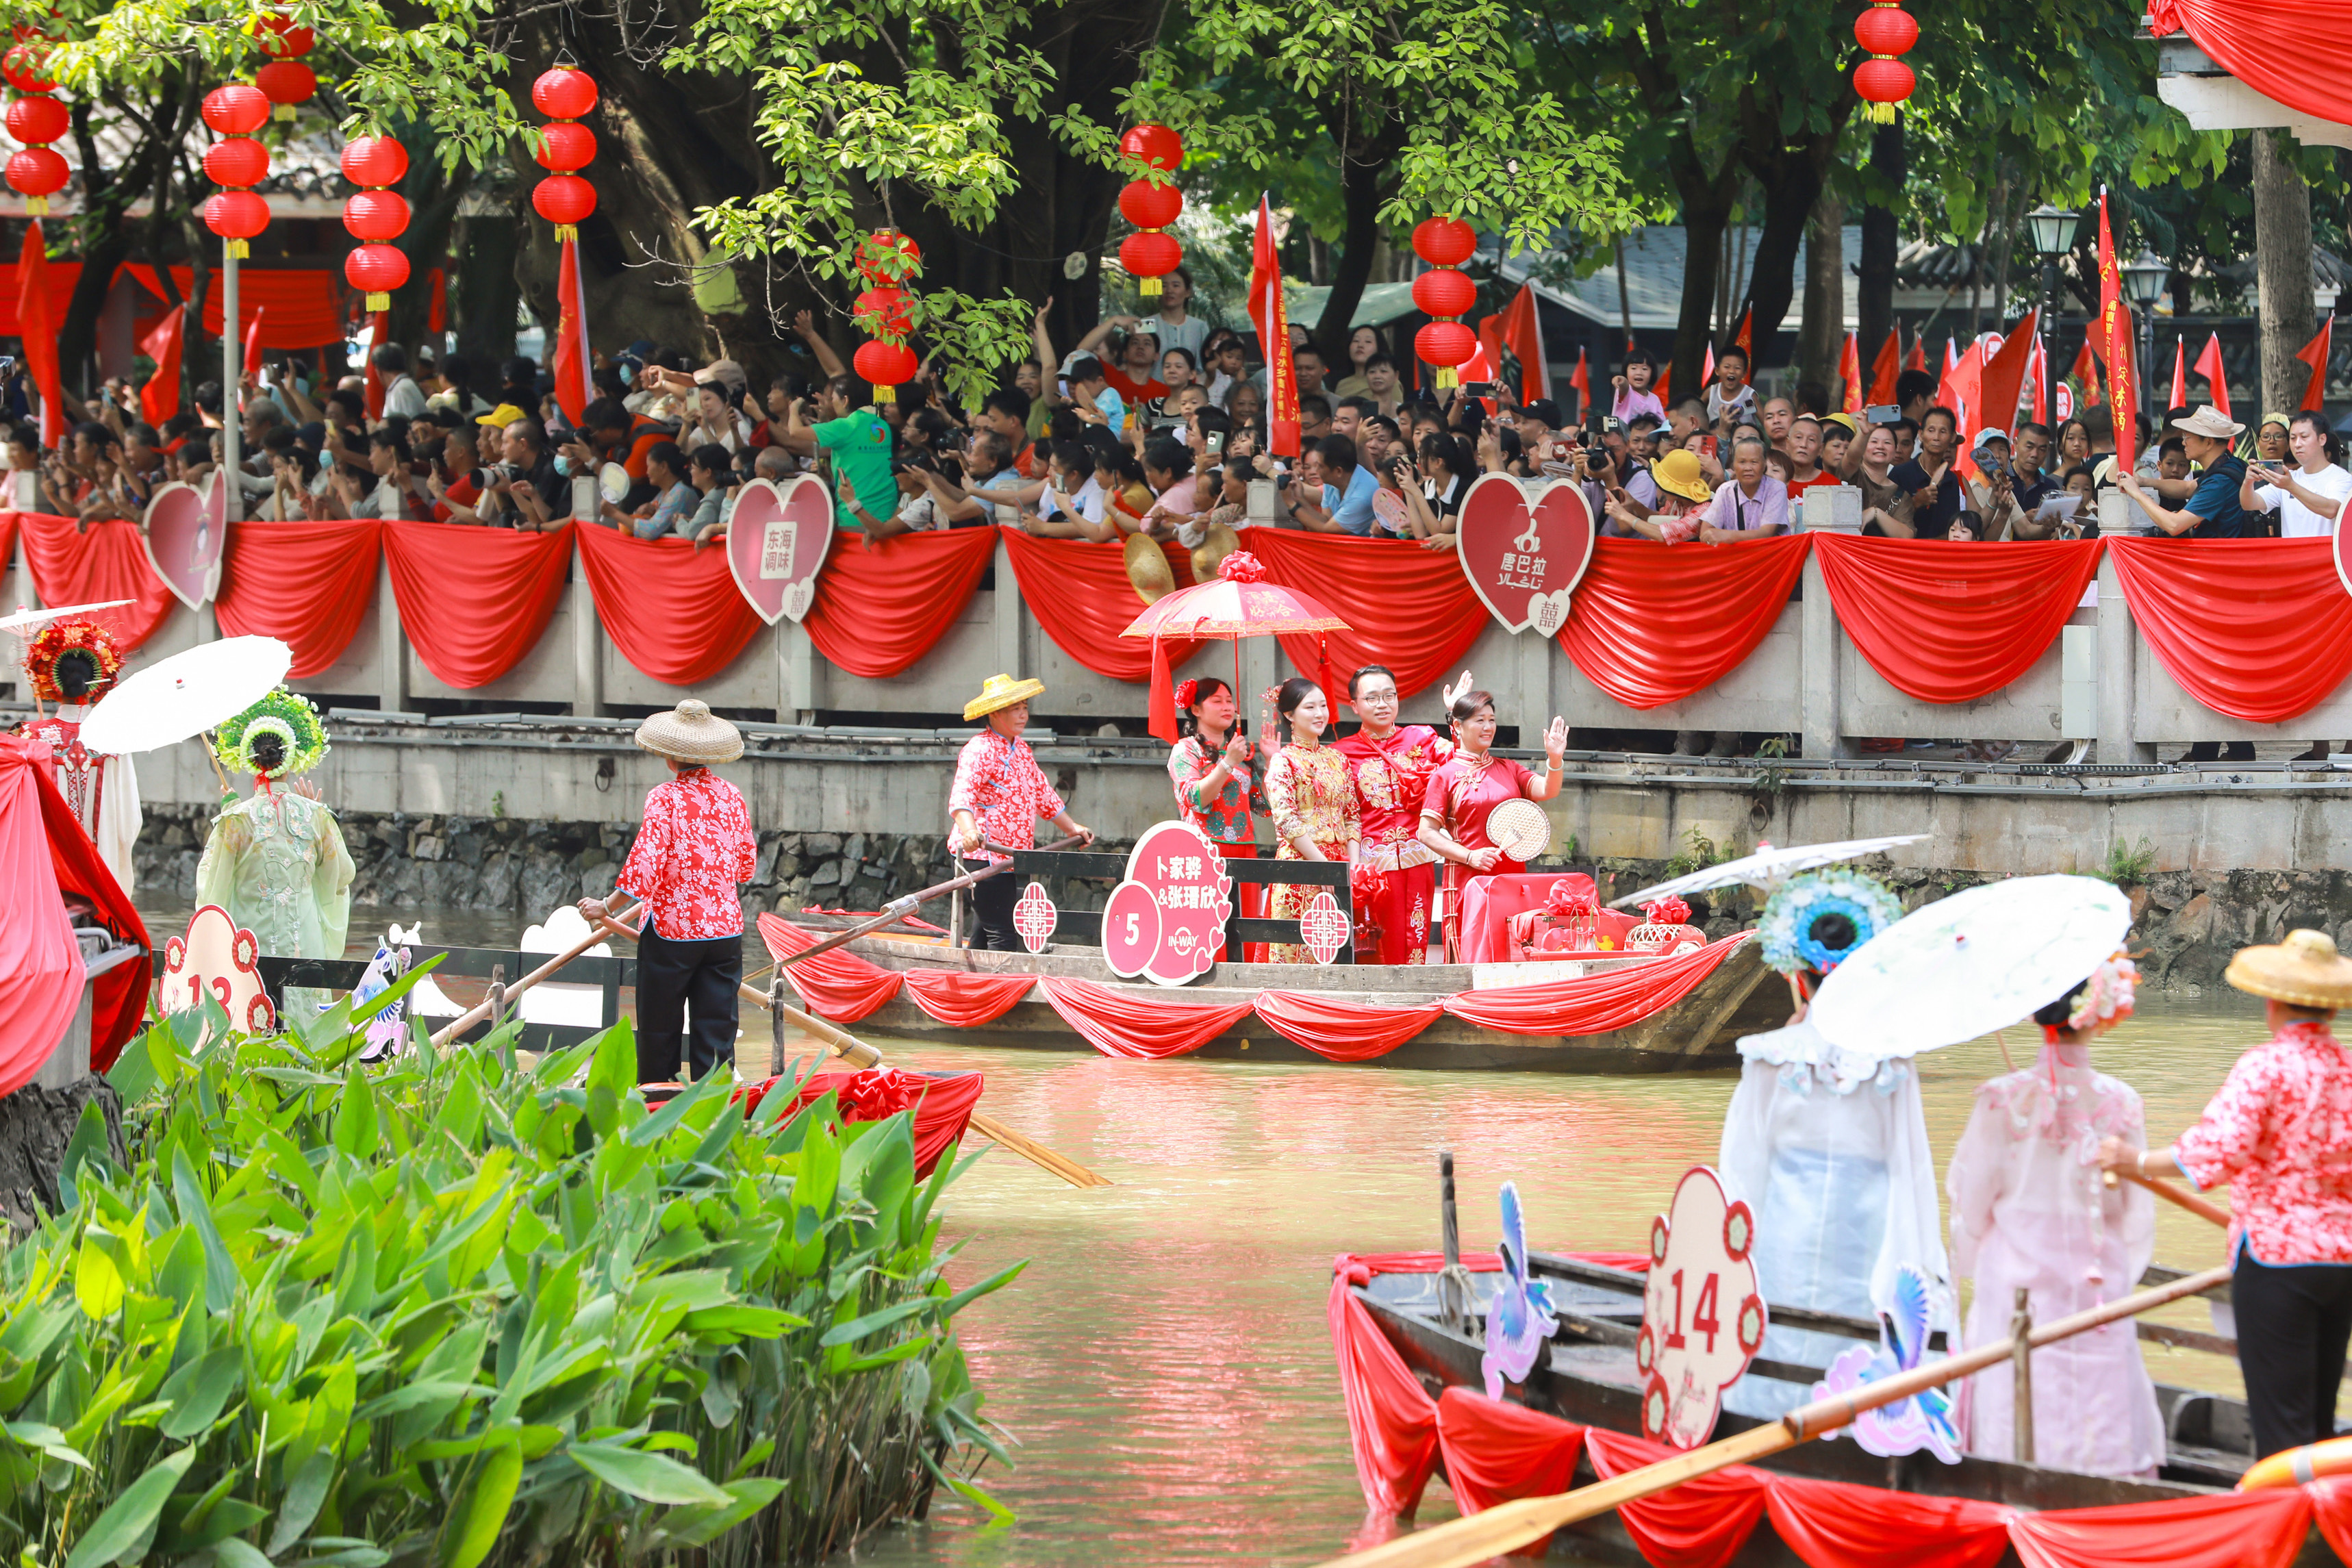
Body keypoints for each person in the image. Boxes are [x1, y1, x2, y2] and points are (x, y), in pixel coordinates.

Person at [2099, 929, 2352, 1459]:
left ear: (2273, 1001)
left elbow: (2215, 1153)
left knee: (2281, 1430)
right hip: (2342, 1261)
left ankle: (2290, 1531)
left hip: (2277, 1260)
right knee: (2317, 1418)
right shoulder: (2347, 1069)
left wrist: (2134, 1161)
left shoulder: (2266, 1065)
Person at [1717, 865, 1945, 1420]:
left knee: (1781, 1315)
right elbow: (1910, 1168)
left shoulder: (1769, 1054)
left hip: (1783, 1230)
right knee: (1856, 1327)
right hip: (1866, 1227)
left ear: (1799, 971)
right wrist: (1918, 1260)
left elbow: (1741, 1171)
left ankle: (1767, 1417)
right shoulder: (1892, 1061)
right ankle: (1858, 1424)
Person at [1947, 952, 2162, 1476]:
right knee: (2097, 1370)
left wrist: (1966, 1264)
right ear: (2099, 1012)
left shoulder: (2002, 1099)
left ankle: (2007, 1470)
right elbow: (2136, 1213)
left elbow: (1969, 1203)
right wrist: (2123, 1267)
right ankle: (2107, 1475)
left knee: (2010, 1364)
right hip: (2097, 1273)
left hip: (2014, 1274)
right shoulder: (2121, 1102)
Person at [577, 700, 755, 1085]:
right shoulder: (732, 796)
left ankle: (658, 1110)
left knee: (660, 1032)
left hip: (673, 933)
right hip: (724, 932)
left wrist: (605, 906)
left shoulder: (665, 798)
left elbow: (645, 864)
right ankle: (714, 1114)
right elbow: (745, 866)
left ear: (671, 758)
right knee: (716, 1033)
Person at [194, 689, 355, 968]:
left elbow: (212, 889)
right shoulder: (316, 815)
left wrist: (229, 815)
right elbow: (341, 876)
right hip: (303, 943)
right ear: (291, 760)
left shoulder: (236, 820)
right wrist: (313, 819)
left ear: (250, 760)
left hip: (249, 947)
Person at [1415, 687, 1567, 961]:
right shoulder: (1445, 775)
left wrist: (1554, 760)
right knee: (1472, 951)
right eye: (1479, 720)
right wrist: (1470, 856)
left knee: (1509, 945)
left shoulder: (1509, 768)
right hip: (1468, 878)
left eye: (1492, 720)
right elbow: (1426, 832)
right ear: (1458, 726)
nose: (1488, 727)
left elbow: (1547, 790)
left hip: (1511, 876)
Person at [949, 674, 1094, 950]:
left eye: (1025, 707)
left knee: (986, 934)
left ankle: (973, 987)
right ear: (995, 714)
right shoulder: (979, 749)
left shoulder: (1021, 749)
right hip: (983, 854)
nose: (1023, 714)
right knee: (1003, 934)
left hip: (1010, 856)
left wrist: (1071, 828)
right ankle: (999, 990)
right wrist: (969, 831)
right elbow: (962, 795)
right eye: (1015, 708)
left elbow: (1043, 795)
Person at [1337, 666, 1471, 964]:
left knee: (1415, 938)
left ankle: (1413, 1000)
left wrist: (1457, 715)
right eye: (1372, 698)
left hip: (1417, 858)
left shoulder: (1421, 738)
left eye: (1389, 695)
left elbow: (1464, 761)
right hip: (1371, 866)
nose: (1382, 704)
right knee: (1374, 941)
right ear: (1354, 705)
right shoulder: (1342, 753)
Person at [15, 618, 139, 894]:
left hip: (47, 866)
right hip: (102, 864)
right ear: (98, 681)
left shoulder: (30, 737)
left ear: (52, 684)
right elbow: (129, 820)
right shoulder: (115, 740)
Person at [1167, 676, 1272, 961]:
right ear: (1196, 709)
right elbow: (1196, 799)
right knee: (1211, 928)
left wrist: (1272, 761)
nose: (1227, 707)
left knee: (1247, 930)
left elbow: (1265, 807)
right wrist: (1228, 763)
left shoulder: (1241, 750)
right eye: (1217, 701)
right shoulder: (1186, 750)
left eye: (1229, 701)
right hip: (1204, 848)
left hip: (1244, 847)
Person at [1263, 677, 1358, 963]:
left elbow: (1352, 815)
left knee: (1337, 953)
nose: (1320, 714)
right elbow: (1286, 821)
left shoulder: (1338, 759)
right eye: (1310, 707)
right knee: (1299, 952)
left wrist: (1352, 868)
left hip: (1339, 866)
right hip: (1301, 867)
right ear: (1289, 715)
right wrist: (1322, 867)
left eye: (1323, 706)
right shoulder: (1284, 761)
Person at [2116, 405, 2247, 538]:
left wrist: (2136, 493)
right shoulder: (2232, 464)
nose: (2183, 443)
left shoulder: (2218, 483)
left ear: (2208, 443)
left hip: (2216, 557)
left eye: (2187, 437)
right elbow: (2188, 488)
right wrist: (2142, 481)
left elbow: (2174, 525)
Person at [1891, 405, 1964, 534]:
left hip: (1940, 551)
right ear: (1921, 435)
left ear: (1952, 437)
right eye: (1931, 430)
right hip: (1905, 551)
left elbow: (1953, 529)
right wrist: (1915, 502)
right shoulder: (1900, 474)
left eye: (1943, 431)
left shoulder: (1951, 480)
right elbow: (1887, 518)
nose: (1936, 437)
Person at [1703, 435, 1789, 538]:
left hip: (1768, 552)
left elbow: (1766, 533)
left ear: (1764, 465)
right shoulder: (1725, 490)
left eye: (1754, 462)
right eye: (1742, 462)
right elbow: (1705, 531)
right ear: (1733, 465)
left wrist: (1728, 536)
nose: (1748, 468)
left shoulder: (1776, 488)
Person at [1612, 348, 1667, 425]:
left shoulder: (1655, 399)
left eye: (1644, 369)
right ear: (1626, 371)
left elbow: (1661, 424)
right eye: (1634, 368)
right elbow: (1624, 387)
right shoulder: (1627, 393)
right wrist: (1621, 381)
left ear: (1652, 373)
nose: (1639, 373)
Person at [1706, 346, 1758, 427]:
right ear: (1717, 371)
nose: (1731, 371)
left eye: (1737, 368)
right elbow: (1697, 412)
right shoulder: (1712, 392)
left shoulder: (1749, 395)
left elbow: (1765, 420)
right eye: (1727, 367)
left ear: (1744, 373)